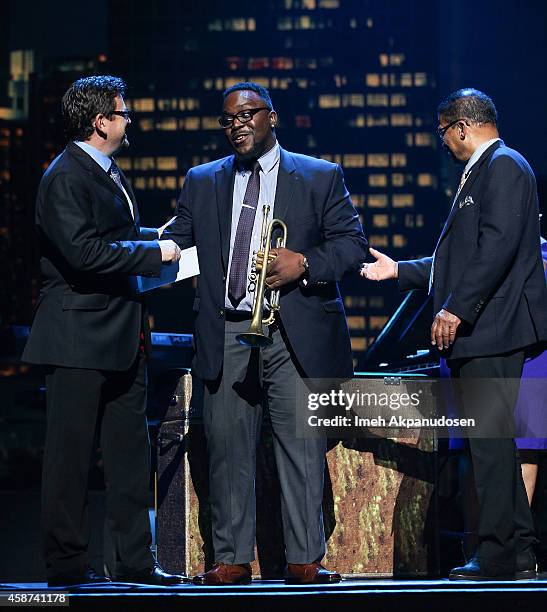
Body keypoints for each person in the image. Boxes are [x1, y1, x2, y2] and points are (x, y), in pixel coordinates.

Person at [164, 81, 367, 585]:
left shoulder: (320, 176)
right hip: (230, 330)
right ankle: (232, 559)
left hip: (292, 332)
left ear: (271, 117)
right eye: (228, 119)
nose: (238, 125)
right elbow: (175, 246)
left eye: (247, 115)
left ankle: (305, 560)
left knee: (300, 447)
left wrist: (305, 263)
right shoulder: (202, 180)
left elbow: (352, 246)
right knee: (228, 448)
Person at [361, 88, 547, 580]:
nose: (441, 141)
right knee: (496, 445)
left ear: (462, 126)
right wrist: (398, 270)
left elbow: (497, 249)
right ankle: (519, 553)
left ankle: (495, 556)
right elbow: (457, 259)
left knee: (490, 446)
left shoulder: (504, 166)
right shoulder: (484, 172)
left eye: (442, 131)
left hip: (493, 329)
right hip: (486, 329)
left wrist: (456, 310)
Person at [22, 75, 186, 587]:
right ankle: (67, 570)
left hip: (119, 339)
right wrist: (153, 252)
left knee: (130, 459)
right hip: (76, 341)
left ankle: (136, 563)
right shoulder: (64, 176)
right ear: (101, 122)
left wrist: (159, 237)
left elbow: (110, 235)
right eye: (123, 112)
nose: (128, 119)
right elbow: (84, 252)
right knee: (69, 463)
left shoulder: (105, 171)